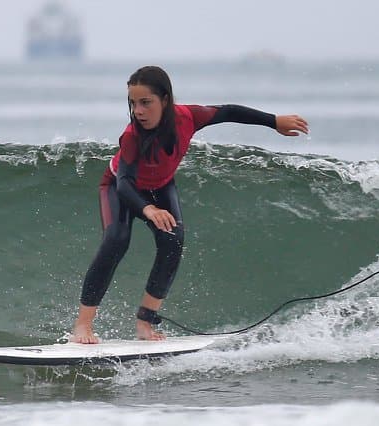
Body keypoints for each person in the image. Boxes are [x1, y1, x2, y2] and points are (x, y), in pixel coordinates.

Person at [69, 65, 308, 343]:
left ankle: (145, 322)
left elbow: (228, 111)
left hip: (160, 185)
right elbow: (124, 183)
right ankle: (83, 326)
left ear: (165, 100)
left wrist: (274, 121)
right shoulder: (132, 135)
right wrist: (148, 209)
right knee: (117, 239)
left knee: (173, 239)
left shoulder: (189, 117)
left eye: (146, 103)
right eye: (133, 104)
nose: (138, 111)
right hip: (120, 187)